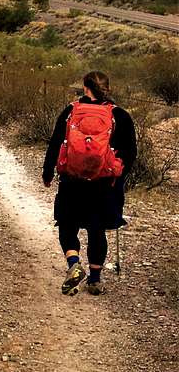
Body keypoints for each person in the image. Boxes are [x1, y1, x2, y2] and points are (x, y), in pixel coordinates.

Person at [43, 70, 137, 295]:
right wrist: (119, 177)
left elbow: (56, 143)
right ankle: (95, 279)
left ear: (85, 88)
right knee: (97, 229)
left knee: (67, 224)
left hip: (71, 180)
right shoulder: (120, 116)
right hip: (104, 183)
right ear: (107, 89)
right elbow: (130, 152)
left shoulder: (70, 111)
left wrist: (47, 172)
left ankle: (74, 263)